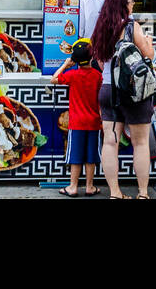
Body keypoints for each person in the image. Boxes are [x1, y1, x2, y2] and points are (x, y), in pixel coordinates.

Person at [90, 0, 154, 199]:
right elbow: (149, 55)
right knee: (141, 143)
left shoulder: (101, 28)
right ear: (123, 6)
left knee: (110, 142)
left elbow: (98, 62)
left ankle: (115, 193)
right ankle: (143, 193)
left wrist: (111, 74)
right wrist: (149, 42)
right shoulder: (131, 26)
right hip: (134, 91)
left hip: (108, 88)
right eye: (130, 2)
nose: (133, 4)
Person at [51, 38, 102, 197]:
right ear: (92, 58)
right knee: (91, 156)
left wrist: (66, 65)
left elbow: (54, 79)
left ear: (75, 60)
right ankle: (89, 186)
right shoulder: (97, 76)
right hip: (94, 123)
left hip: (77, 123)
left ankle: (73, 187)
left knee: (76, 156)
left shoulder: (72, 75)